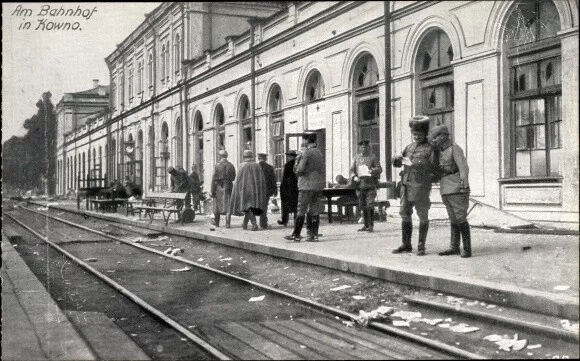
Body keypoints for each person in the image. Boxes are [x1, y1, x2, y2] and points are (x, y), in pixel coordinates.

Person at [391, 116, 438, 256]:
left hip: (421, 186)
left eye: (419, 134)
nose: (416, 137)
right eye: (414, 134)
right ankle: (406, 244)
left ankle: (421, 246)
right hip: (406, 185)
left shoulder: (430, 149)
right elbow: (398, 164)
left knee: (422, 215)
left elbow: (435, 169)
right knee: (404, 214)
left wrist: (417, 165)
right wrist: (396, 159)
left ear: (425, 134)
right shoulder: (409, 147)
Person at [430, 125, 472, 258]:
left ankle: (467, 249)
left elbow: (464, 168)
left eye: (436, 137)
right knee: (453, 219)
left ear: (444, 136)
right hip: (446, 188)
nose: (434, 140)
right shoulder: (440, 151)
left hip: (456, 188)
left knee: (460, 218)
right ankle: (454, 247)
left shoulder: (454, 148)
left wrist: (463, 186)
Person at [284, 132, 325, 242]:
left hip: (306, 185)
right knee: (314, 210)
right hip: (318, 185)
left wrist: (296, 164)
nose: (303, 142)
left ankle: (296, 234)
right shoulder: (319, 153)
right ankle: (313, 235)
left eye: (303, 140)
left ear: (307, 141)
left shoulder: (306, 153)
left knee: (301, 209)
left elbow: (299, 170)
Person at [228, 150, 267, 231]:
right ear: (252, 156)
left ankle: (254, 224)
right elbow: (261, 179)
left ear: (244, 156)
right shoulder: (257, 165)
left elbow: (238, 179)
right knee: (249, 207)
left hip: (244, 190)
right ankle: (245, 224)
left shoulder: (241, 166)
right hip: (255, 190)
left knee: (248, 207)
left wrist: (236, 190)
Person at [349, 140, 383, 232]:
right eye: (362, 147)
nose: (364, 149)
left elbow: (379, 169)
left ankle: (371, 225)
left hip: (370, 184)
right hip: (360, 185)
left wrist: (372, 170)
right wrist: (354, 177)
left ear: (369, 147)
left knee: (370, 205)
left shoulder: (373, 157)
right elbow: (351, 170)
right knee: (362, 205)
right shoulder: (356, 158)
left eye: (366, 147)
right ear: (359, 148)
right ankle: (365, 225)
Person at [210, 150, 236, 228]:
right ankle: (228, 224)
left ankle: (217, 223)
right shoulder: (231, 165)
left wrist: (212, 190)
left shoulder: (217, 165)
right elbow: (234, 177)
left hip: (218, 187)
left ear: (220, 156)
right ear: (226, 156)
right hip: (228, 187)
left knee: (217, 206)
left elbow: (214, 178)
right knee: (228, 206)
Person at [278, 150, 299, 226]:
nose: (288, 157)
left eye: (289, 156)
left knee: (285, 204)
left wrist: (282, 186)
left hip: (288, 187)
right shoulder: (297, 164)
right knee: (296, 204)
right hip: (296, 187)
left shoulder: (288, 164)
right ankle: (296, 220)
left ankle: (284, 220)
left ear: (291, 156)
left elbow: (285, 177)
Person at [257, 153, 278, 229]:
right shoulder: (270, 167)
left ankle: (251, 223)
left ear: (258, 158)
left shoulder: (255, 167)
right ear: (265, 159)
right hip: (267, 190)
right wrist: (275, 190)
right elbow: (273, 180)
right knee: (264, 206)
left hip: (257, 190)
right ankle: (263, 223)